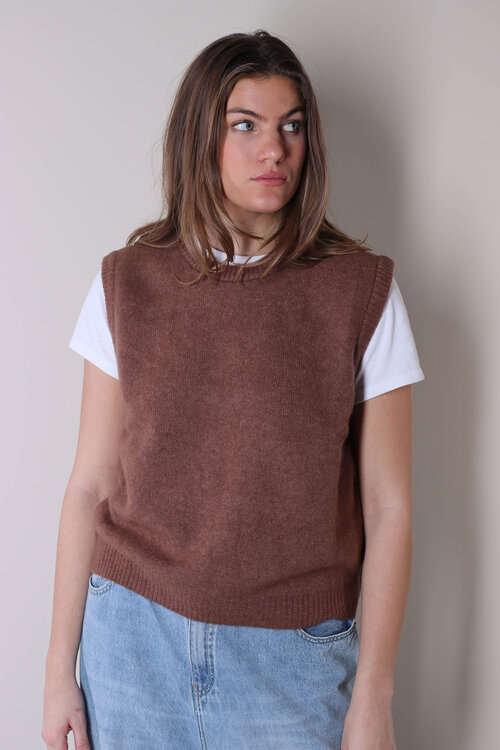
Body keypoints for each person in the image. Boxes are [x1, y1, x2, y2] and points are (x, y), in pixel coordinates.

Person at [42, 29, 425, 750]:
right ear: (201, 139)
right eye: (244, 125)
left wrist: (373, 697)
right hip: (132, 641)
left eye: (292, 126)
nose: (273, 150)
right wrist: (59, 670)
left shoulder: (361, 292)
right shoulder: (128, 282)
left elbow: (389, 507)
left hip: (292, 662)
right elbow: (89, 485)